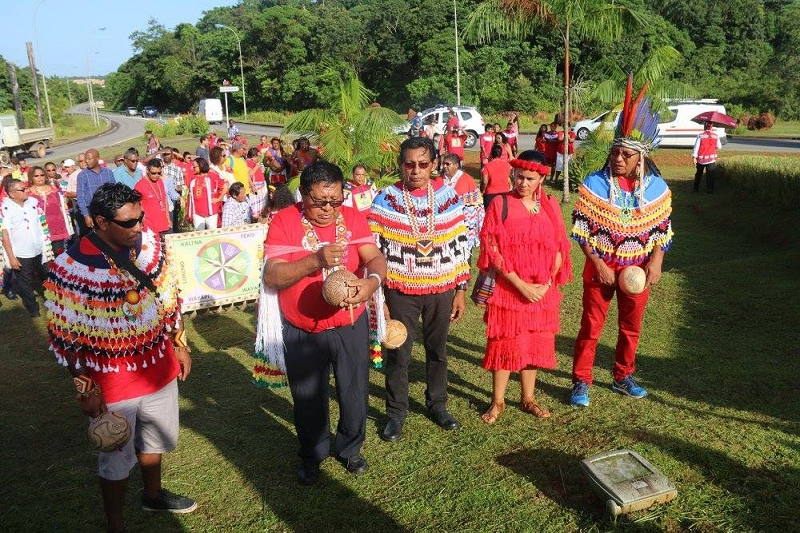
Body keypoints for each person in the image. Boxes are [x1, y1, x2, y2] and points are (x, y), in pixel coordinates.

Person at [44, 183, 195, 532]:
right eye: (129, 223)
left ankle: (153, 495)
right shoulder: (70, 268)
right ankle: (116, 524)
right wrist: (85, 388)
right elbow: (67, 338)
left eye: (140, 218)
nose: (138, 227)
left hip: (159, 368)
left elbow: (169, 296)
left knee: (156, 439)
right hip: (111, 383)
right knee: (115, 455)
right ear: (101, 222)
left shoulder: (151, 246)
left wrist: (180, 343)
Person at [263, 160, 387, 484]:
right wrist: (315, 260)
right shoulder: (284, 221)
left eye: (335, 200)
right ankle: (312, 454)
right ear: (304, 195)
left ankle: (350, 449)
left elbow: (374, 257)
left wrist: (372, 282)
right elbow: (272, 275)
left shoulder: (353, 217)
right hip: (302, 329)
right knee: (308, 397)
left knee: (354, 391)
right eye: (320, 201)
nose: (328, 209)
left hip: (350, 324)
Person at [569, 83, 674, 407]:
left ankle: (622, 376)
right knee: (591, 326)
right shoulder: (595, 183)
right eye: (615, 152)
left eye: (626, 154)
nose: (617, 158)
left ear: (641, 158)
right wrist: (599, 264)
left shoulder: (656, 188)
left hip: (637, 267)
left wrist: (656, 262)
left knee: (631, 327)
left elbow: (662, 230)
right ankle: (581, 381)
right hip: (600, 265)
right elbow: (582, 230)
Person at [368, 136, 471, 442]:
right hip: (399, 292)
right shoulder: (385, 200)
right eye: (409, 164)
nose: (416, 170)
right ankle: (396, 413)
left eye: (423, 164)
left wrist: (460, 289)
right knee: (398, 353)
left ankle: (438, 405)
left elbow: (460, 246)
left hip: (441, 290)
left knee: (437, 350)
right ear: (400, 165)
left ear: (434, 164)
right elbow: (373, 252)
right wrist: (379, 298)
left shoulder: (449, 198)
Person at [478, 151, 572, 424]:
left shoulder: (551, 205)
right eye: (519, 177)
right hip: (509, 291)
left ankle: (528, 398)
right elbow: (492, 248)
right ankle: (497, 401)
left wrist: (546, 284)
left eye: (530, 179)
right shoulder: (501, 204)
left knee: (534, 342)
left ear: (541, 179)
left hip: (542, 292)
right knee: (504, 342)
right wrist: (520, 286)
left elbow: (560, 247)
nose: (523, 183)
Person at [1, 178, 51, 317]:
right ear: (12, 194)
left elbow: (42, 224)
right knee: (25, 283)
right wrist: (11, 257)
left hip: (39, 249)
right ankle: (33, 309)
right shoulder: (5, 208)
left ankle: (53, 302)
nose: (26, 191)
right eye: (22, 189)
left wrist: (46, 246)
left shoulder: (33, 202)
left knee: (47, 277)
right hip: (21, 252)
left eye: (26, 188)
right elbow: (4, 234)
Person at [438, 154, 484, 258]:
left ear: (456, 165)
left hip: (465, 225)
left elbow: (477, 205)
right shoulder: (438, 180)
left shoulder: (467, 180)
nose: (444, 166)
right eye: (443, 164)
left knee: (465, 254)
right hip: (445, 226)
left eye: (447, 164)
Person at [26, 166, 73, 256]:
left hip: (57, 227)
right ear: (31, 178)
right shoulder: (27, 194)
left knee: (59, 254)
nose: (40, 177)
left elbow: (62, 207)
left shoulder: (54, 189)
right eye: (36, 176)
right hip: (40, 229)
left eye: (42, 175)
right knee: (46, 257)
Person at [77, 149, 116, 233]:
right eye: (85, 159)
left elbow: (114, 192)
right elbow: (80, 198)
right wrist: (86, 215)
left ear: (97, 159)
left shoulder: (108, 172)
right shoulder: (82, 175)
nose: (86, 161)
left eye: (89, 159)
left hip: (108, 211)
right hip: (93, 213)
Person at [186, 157, 226, 230]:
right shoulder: (193, 178)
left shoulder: (213, 176)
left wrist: (219, 199)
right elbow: (190, 195)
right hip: (197, 212)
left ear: (201, 165)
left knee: (212, 233)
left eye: (195, 167)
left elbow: (225, 187)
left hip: (211, 212)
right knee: (199, 234)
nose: (193, 168)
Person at [134, 159, 172, 235]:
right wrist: (143, 223)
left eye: (159, 173)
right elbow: (137, 207)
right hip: (150, 227)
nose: (156, 175)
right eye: (153, 173)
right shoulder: (139, 186)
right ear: (147, 170)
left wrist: (168, 219)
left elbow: (164, 200)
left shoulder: (160, 181)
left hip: (164, 224)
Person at [692, 121, 721, 193]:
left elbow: (696, 147)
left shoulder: (700, 136)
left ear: (704, 127)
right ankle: (710, 190)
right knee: (711, 174)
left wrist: (694, 157)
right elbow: (719, 146)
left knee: (699, 173)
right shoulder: (716, 136)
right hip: (711, 159)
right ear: (712, 127)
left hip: (701, 159)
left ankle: (696, 188)